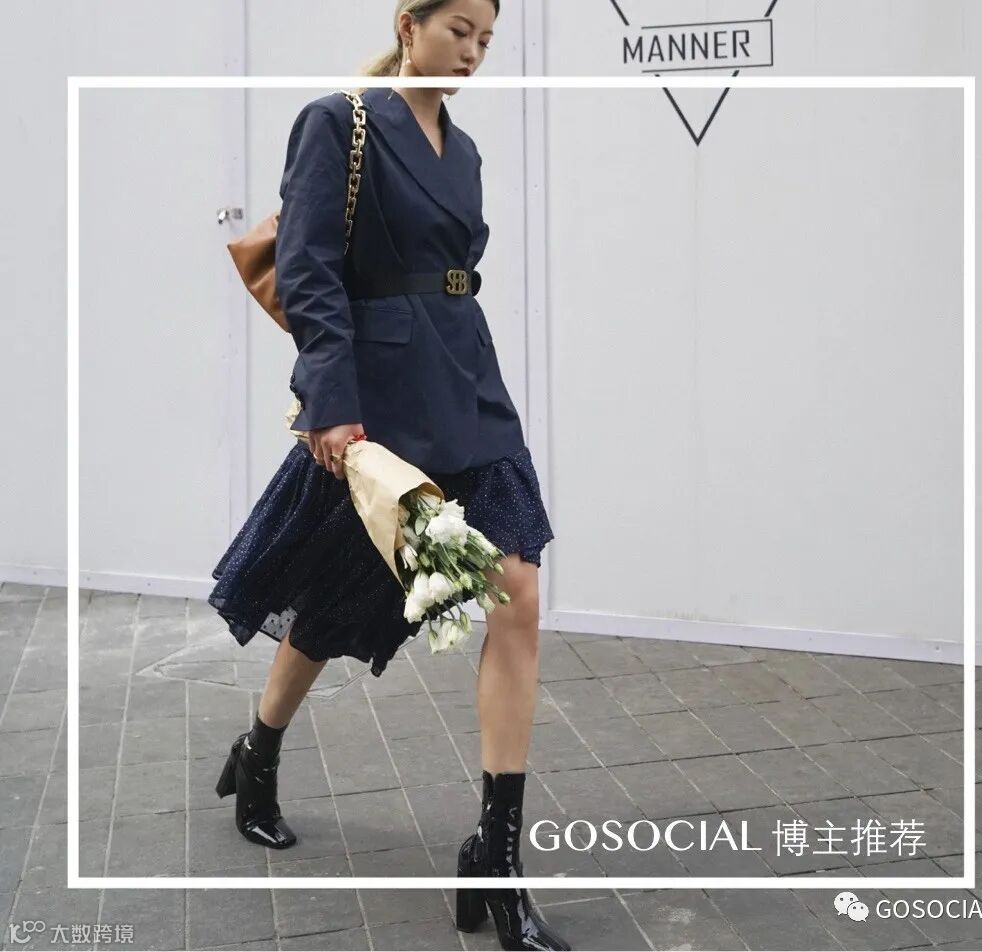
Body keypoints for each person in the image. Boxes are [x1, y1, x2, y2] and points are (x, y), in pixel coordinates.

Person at [206, 1, 572, 949]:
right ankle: (260, 748)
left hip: (469, 383)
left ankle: (494, 855)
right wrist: (329, 400)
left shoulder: (466, 149)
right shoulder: (339, 120)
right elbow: (308, 265)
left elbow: (456, 271)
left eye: (486, 40)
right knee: (333, 598)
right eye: (460, 29)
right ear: (409, 24)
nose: (473, 52)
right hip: (374, 396)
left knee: (518, 592)